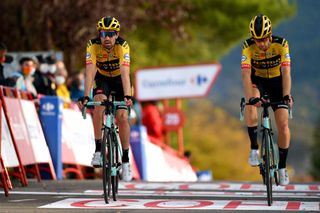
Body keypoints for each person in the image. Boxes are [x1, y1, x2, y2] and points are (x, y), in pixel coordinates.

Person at [77, 16, 133, 181]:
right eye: (103, 34)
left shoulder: (123, 46)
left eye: (110, 34)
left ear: (116, 35)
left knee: (122, 117)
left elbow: (124, 72)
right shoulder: (92, 45)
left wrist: (128, 95)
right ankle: (99, 150)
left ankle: (125, 161)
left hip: (119, 81)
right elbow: (89, 71)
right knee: (99, 103)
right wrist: (86, 96)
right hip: (102, 79)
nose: (106, 38)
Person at [241, 14, 293, 185]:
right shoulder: (248, 46)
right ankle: (254, 148)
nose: (261, 44)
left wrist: (286, 95)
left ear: (270, 35)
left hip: (278, 84)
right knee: (251, 103)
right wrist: (250, 99)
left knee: (283, 125)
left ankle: (282, 167)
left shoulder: (281, 44)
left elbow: (286, 73)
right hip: (259, 83)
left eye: (263, 39)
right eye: (257, 40)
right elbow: (246, 74)